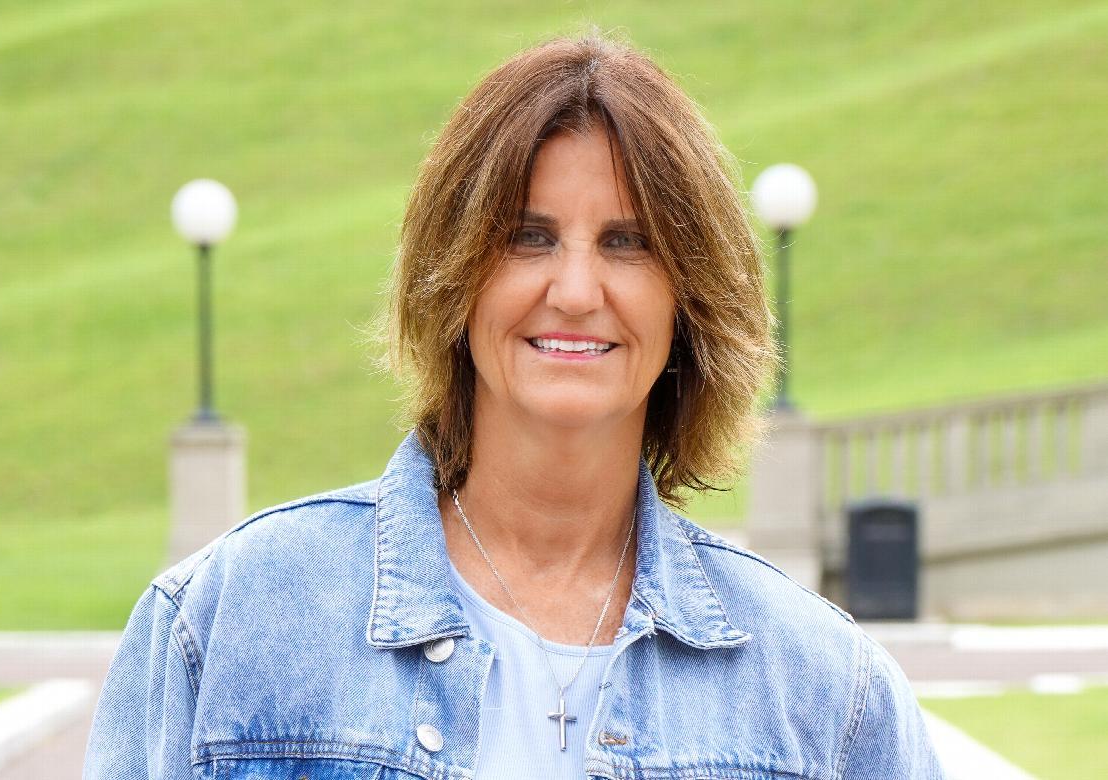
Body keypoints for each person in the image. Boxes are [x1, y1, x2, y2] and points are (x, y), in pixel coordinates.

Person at [85, 34, 945, 779]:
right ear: (454, 274)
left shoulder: (824, 692)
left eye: (628, 243)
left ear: (690, 299)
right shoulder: (228, 622)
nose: (574, 291)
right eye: (528, 238)